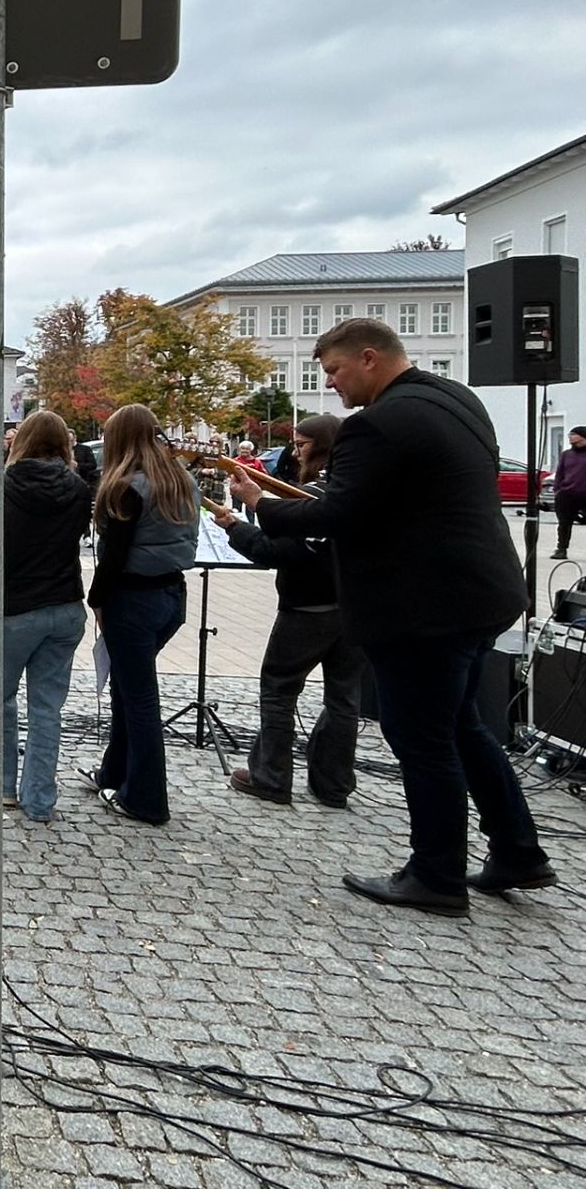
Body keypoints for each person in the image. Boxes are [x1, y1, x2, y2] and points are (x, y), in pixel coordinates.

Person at [230, 319, 553, 915]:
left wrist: (261, 507)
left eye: (334, 371)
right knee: (462, 726)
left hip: (425, 609)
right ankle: (518, 850)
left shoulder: (376, 424)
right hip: (485, 593)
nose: (331, 385)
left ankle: (436, 875)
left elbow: (342, 513)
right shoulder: (454, 397)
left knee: (422, 739)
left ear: (370, 359)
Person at [212, 413, 359, 809]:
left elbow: (278, 552)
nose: (295, 453)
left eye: (302, 445)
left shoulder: (313, 496)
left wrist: (232, 527)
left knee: (278, 690)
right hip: (352, 608)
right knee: (343, 699)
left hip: (308, 608)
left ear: (322, 446)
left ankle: (271, 777)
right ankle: (334, 783)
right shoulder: (352, 489)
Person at [83, 404, 200, 825]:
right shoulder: (182, 479)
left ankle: (146, 797)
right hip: (171, 594)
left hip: (132, 598)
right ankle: (114, 772)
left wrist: (96, 600)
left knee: (139, 699)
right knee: (127, 690)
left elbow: (113, 558)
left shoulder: (128, 487)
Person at [0, 410, 93, 824]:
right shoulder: (77, 487)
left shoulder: (3, 484)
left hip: (14, 605)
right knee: (47, 709)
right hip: (64, 603)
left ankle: (0, 787)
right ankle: (39, 799)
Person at [552, 426, 586, 559]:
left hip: (585, 493)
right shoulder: (566, 454)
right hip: (567, 494)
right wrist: (557, 490)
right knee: (564, 524)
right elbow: (559, 473)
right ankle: (561, 549)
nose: (570, 437)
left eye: (573, 434)